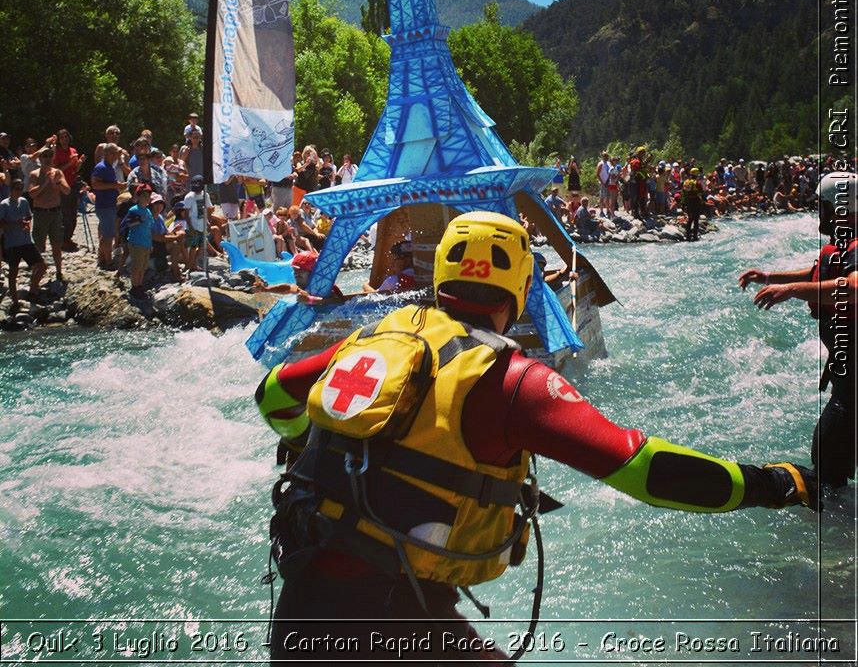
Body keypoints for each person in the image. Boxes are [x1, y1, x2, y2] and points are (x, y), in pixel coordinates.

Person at [257, 211, 816, 664]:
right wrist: (773, 484)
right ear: (522, 290)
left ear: (440, 277)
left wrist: (304, 439)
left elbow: (274, 395)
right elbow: (645, 470)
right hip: (399, 627)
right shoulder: (514, 380)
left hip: (301, 613)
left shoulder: (371, 339)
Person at [739, 170, 858, 488]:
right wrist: (769, 277)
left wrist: (791, 291)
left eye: (824, 207)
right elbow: (816, 273)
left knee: (829, 448)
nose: (819, 213)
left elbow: (856, 287)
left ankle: (835, 523)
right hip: (848, 370)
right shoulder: (843, 247)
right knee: (833, 452)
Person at [0, 177, 47, 308]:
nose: (19, 191)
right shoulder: (4, 205)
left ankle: (32, 290)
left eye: (21, 189)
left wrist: (27, 223)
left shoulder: (24, 201)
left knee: (42, 266)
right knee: (13, 271)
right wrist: (16, 223)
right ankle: (15, 301)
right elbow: (1, 224)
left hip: (26, 241)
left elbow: (28, 216)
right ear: (11, 190)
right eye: (17, 189)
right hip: (12, 243)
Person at [27, 146, 70, 283]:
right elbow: (32, 193)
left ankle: (59, 271)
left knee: (57, 244)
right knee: (39, 246)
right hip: (41, 214)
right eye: (44, 156)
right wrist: (45, 182)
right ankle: (36, 273)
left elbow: (67, 191)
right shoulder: (34, 174)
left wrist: (58, 183)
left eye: (50, 155)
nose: (47, 159)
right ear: (40, 158)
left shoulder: (57, 173)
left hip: (55, 213)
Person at [90, 144, 126, 269]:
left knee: (107, 232)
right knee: (108, 234)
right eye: (114, 153)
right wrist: (114, 186)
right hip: (104, 205)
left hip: (110, 204)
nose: (117, 156)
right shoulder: (101, 167)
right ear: (107, 154)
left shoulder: (109, 167)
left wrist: (117, 185)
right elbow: (95, 184)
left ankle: (102, 257)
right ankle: (108, 261)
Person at [122, 185, 154, 298]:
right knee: (136, 266)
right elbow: (127, 224)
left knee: (143, 266)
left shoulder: (148, 211)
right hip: (136, 242)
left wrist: (150, 244)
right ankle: (134, 287)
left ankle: (139, 285)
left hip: (145, 242)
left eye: (148, 196)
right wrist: (139, 220)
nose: (147, 198)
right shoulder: (134, 210)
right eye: (144, 196)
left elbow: (150, 228)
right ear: (138, 196)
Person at [681, 167, 704, 241]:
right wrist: (703, 201)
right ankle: (695, 236)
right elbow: (701, 193)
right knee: (696, 219)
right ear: (697, 174)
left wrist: (683, 203)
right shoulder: (697, 183)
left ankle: (688, 236)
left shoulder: (686, 182)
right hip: (695, 202)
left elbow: (683, 193)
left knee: (690, 219)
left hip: (688, 202)